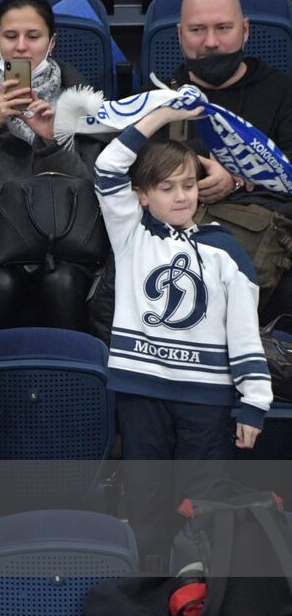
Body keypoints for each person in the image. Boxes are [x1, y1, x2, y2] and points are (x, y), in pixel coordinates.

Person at [94, 102, 272, 560]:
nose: (180, 196)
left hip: (207, 402)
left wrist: (254, 401)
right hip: (143, 396)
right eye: (166, 187)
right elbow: (108, 163)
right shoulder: (131, 234)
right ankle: (151, 614)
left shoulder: (225, 250)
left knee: (206, 515)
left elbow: (245, 332)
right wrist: (164, 113)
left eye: (189, 184)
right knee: (148, 513)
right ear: (141, 194)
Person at [0, 0, 105, 334]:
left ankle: (72, 378)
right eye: (10, 36)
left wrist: (51, 142)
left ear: (51, 43)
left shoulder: (84, 101)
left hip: (67, 244)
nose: (21, 47)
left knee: (62, 283)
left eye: (33, 37)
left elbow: (98, 192)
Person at [163, 0, 292, 320]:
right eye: (197, 30)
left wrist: (235, 178)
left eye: (223, 28)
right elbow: (140, 171)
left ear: (245, 30)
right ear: (180, 34)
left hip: (264, 234)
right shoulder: (160, 97)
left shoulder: (282, 91)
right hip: (175, 239)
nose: (210, 42)